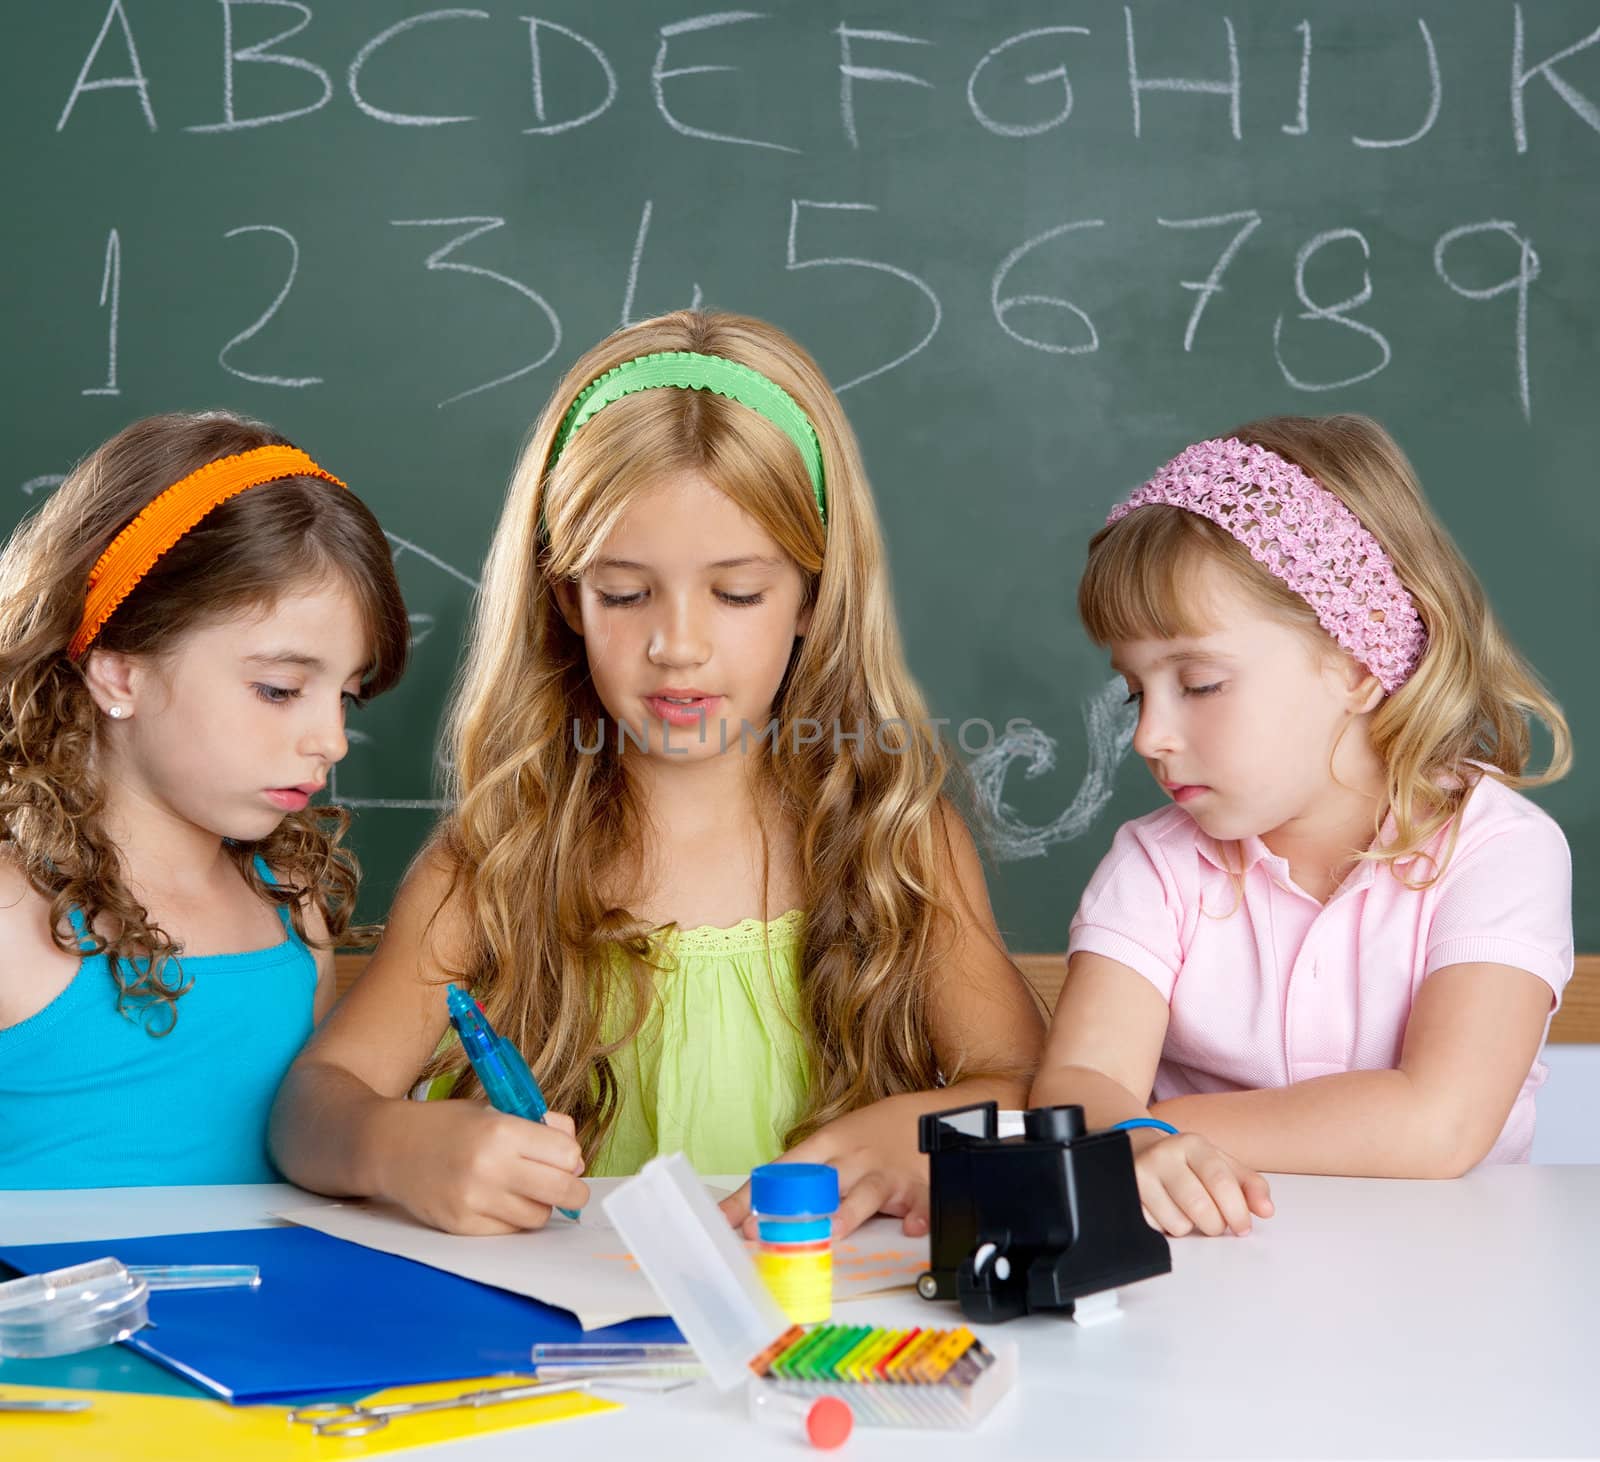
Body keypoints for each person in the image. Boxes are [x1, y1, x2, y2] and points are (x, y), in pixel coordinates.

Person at [270, 310, 1044, 1236]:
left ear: (813, 593)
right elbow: (312, 1106)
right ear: (565, 599)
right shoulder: (497, 861)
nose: (677, 646)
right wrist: (394, 1149)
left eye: (738, 592)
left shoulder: (894, 843)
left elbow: (1034, 1092)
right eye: (625, 593)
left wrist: (913, 1129)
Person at [1031, 417, 1573, 1237]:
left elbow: (1439, 1124)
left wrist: (1147, 1130)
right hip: (1215, 1277)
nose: (1148, 736)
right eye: (1138, 691)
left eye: (1202, 683)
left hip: (1449, 1288)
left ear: (1358, 665)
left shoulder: (1500, 851)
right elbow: (1078, 1080)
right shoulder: (1155, 864)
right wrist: (1122, 1126)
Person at [0, 411, 409, 1186]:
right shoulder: (9, 917)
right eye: (279, 689)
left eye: (346, 697)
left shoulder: (292, 911)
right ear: (121, 672)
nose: (331, 739)